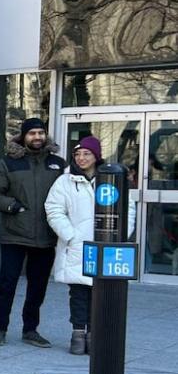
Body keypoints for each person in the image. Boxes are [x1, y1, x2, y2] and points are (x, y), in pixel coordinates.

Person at [44, 136, 134, 355]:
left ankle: (95, 335)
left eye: (87, 153)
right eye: (78, 154)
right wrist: (70, 235)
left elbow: (127, 208)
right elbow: (53, 209)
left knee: (99, 293)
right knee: (78, 294)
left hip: (103, 247)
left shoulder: (110, 178)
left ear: (96, 156)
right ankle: (77, 335)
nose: (81, 158)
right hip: (76, 245)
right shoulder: (65, 181)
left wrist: (119, 235)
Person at [0, 117, 66, 347]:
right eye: (32, 133)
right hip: (14, 234)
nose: (37, 137)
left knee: (38, 286)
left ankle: (31, 330)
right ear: (23, 136)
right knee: (7, 284)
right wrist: (13, 206)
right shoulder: (8, 163)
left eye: (40, 133)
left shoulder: (58, 164)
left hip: (46, 237)